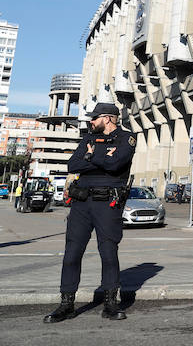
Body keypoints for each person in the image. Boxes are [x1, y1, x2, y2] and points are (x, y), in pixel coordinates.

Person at [44, 103, 136, 323]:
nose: (90, 122)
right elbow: (72, 165)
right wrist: (98, 157)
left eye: (94, 119)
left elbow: (115, 165)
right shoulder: (87, 139)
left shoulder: (127, 138)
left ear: (107, 118)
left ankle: (111, 304)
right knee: (72, 253)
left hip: (107, 203)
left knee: (108, 253)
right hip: (81, 203)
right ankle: (66, 304)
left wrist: (91, 157)